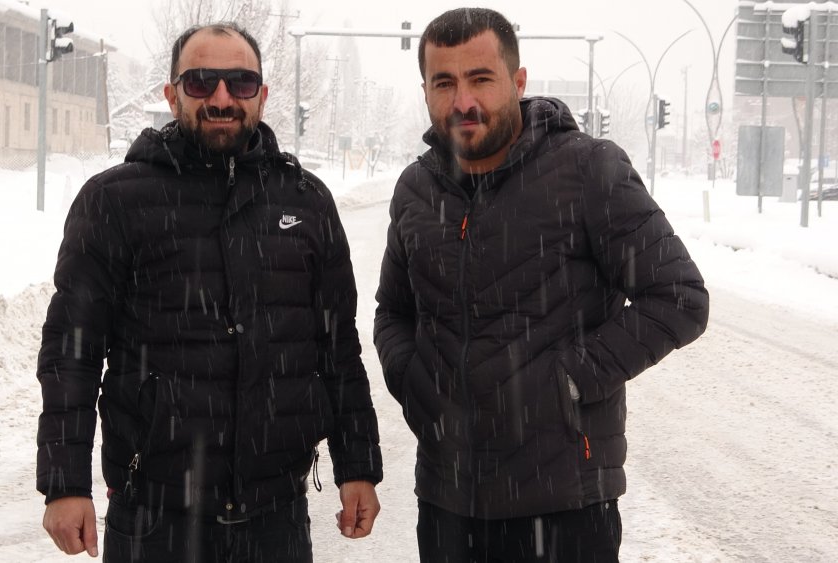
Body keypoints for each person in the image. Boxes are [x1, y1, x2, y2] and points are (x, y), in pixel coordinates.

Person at [37, 22, 382, 563]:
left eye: (240, 83)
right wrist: (65, 483)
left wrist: (357, 466)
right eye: (201, 82)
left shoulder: (307, 201)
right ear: (171, 94)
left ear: (262, 95)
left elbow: (337, 350)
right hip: (153, 519)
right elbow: (70, 352)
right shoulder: (115, 201)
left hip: (276, 520)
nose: (222, 98)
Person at [373, 8, 709, 562]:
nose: (463, 101)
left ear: (518, 81)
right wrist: (414, 383)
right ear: (426, 91)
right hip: (447, 502)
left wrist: (567, 380)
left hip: (564, 505)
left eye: (481, 78)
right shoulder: (416, 188)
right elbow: (393, 310)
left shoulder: (588, 169)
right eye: (444, 82)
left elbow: (679, 297)